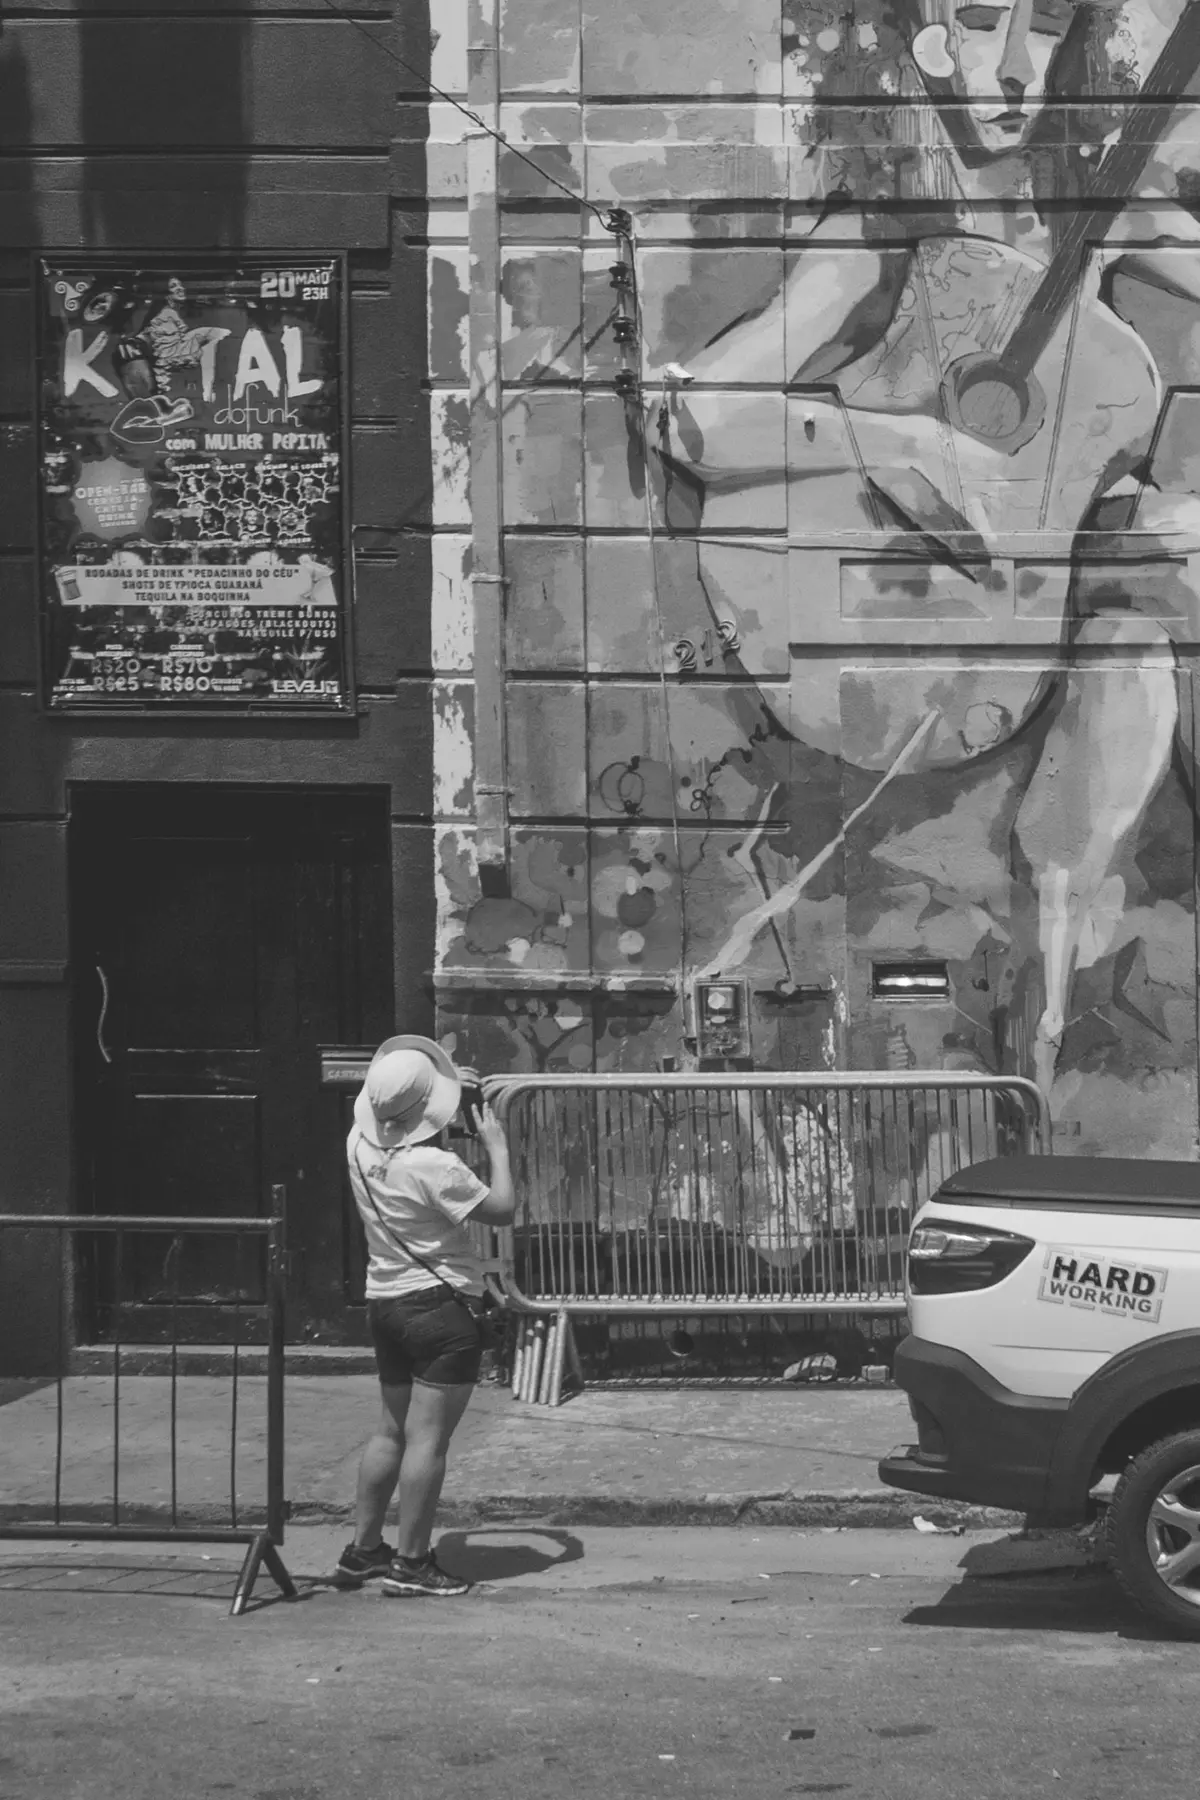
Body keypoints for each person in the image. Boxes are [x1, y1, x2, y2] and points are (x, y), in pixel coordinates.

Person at [332, 1035, 514, 1597]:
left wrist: (440, 1085)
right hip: (440, 1310)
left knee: (390, 1431)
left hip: (386, 1302)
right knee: (427, 1442)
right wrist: (498, 1149)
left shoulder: (357, 1145)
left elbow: (397, 1109)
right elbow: (503, 1210)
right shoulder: (436, 1165)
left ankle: (363, 1551)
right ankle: (412, 1563)